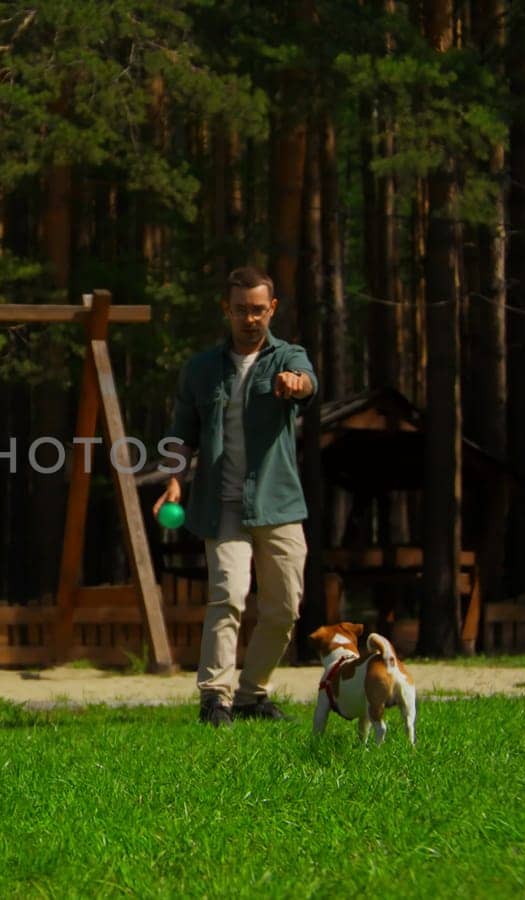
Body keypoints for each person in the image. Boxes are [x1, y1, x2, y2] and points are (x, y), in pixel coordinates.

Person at [155, 266, 317, 727]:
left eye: (259, 310)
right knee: (228, 595)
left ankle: (252, 694)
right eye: (241, 310)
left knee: (284, 607)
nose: (251, 319)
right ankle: (215, 698)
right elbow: (180, 433)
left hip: (278, 503)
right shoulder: (202, 370)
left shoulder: (288, 357)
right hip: (221, 504)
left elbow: (308, 383)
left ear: (273, 310)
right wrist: (174, 480)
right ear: (226, 310)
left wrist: (295, 384)